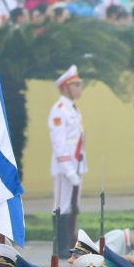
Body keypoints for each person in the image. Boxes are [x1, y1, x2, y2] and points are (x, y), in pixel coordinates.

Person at [49, 64, 86, 253]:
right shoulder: (59, 110)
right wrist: (68, 170)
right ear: (65, 88)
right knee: (61, 205)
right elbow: (59, 143)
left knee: (73, 205)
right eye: (76, 85)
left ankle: (70, 242)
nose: (79, 88)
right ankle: (61, 246)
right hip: (65, 166)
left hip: (76, 163)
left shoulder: (73, 108)